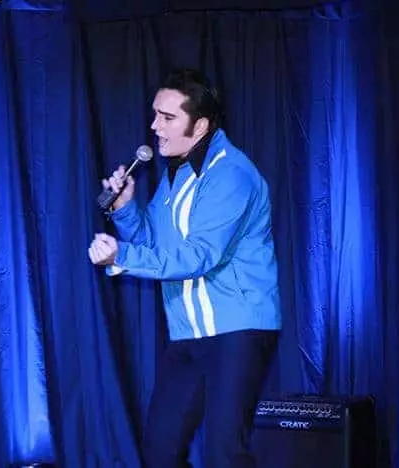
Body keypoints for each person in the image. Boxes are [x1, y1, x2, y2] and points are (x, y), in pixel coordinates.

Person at [88, 68, 281, 468]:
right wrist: (124, 209)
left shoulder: (231, 175)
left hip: (237, 330)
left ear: (201, 125)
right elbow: (155, 246)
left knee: (225, 455)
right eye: (155, 114)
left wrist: (121, 256)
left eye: (167, 117)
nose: (154, 127)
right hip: (188, 333)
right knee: (160, 451)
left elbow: (198, 257)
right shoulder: (176, 174)